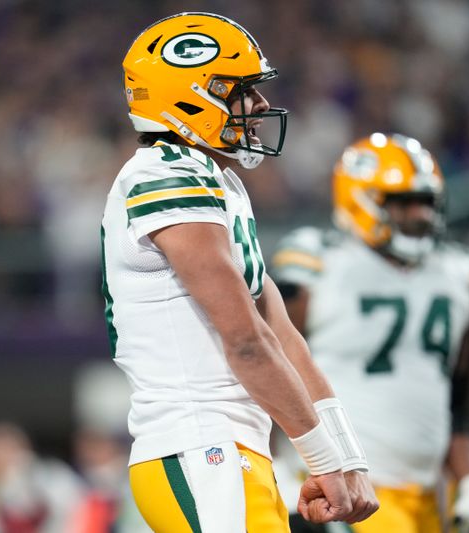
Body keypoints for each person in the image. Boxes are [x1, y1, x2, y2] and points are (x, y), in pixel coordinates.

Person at [100, 12, 378, 532]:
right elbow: (247, 341)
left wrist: (347, 455)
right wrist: (322, 459)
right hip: (199, 447)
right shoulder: (166, 174)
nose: (259, 106)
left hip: (231, 451)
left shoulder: (219, 182)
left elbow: (284, 336)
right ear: (189, 96)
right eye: (240, 91)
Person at [271, 133, 469, 533]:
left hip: (427, 493)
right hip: (346, 489)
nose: (420, 216)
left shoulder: (458, 272)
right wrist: (274, 462)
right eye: (403, 203)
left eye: (426, 203)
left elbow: (456, 390)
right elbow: (269, 364)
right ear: (361, 199)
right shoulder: (319, 261)